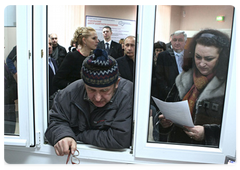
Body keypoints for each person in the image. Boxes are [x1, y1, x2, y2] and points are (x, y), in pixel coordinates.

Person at [45, 49, 133, 156]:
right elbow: (55, 121)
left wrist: (76, 135)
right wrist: (63, 135)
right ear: (83, 83)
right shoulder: (68, 93)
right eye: (91, 90)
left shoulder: (128, 94)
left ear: (117, 83)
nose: (97, 98)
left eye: (104, 90)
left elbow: (120, 138)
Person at [158, 29, 230, 147]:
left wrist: (207, 133)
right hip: (178, 147)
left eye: (209, 59)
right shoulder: (183, 79)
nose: (201, 63)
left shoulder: (229, 87)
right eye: (198, 57)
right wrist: (165, 122)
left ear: (221, 58)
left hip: (210, 155)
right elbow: (168, 107)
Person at [155, 31, 187, 100]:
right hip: (169, 95)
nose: (177, 43)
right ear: (171, 42)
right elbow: (159, 77)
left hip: (187, 95)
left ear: (185, 42)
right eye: (175, 40)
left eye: (180, 40)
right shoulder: (163, 56)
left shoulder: (191, 55)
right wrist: (170, 93)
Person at [2, 35, 18, 134]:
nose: (3, 46)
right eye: (1, 43)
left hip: (8, 108)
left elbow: (13, 85)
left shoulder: (3, 64)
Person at [48, 37, 58, 109]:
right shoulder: (38, 64)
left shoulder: (53, 61)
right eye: (47, 44)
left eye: (50, 44)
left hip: (54, 97)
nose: (49, 47)